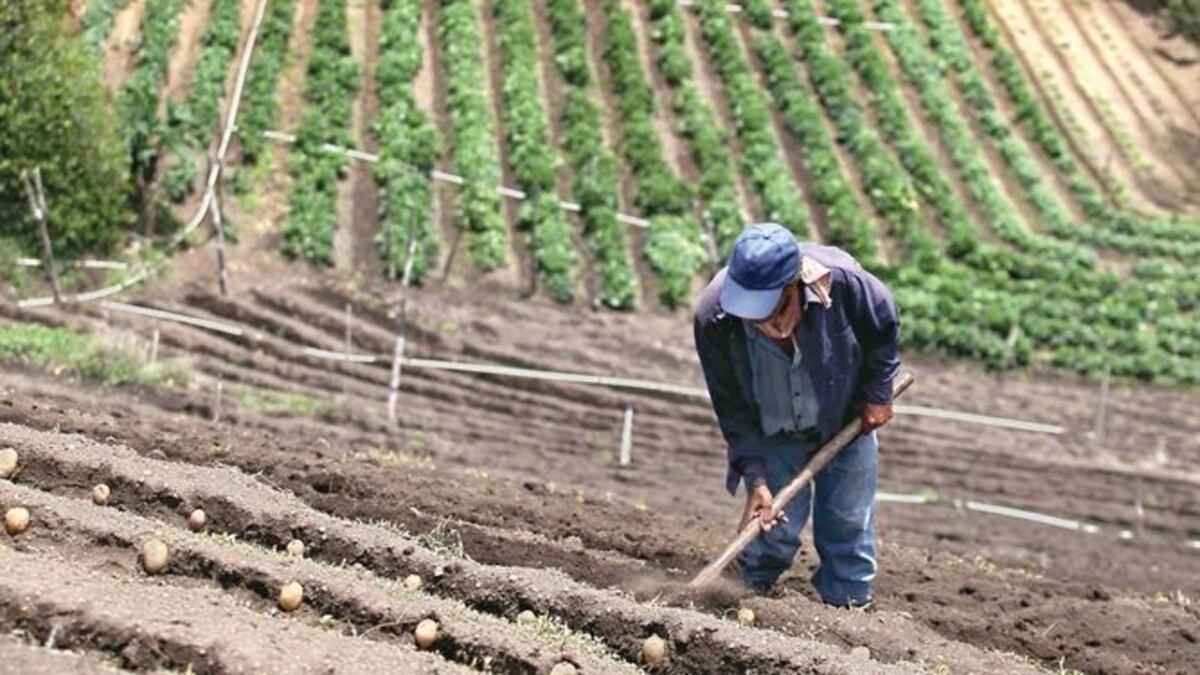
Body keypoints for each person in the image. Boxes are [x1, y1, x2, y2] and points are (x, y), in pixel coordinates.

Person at [693, 223, 900, 607]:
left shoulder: (845, 283)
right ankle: (744, 594)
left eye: (773, 310)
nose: (767, 326)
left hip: (844, 420)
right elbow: (730, 405)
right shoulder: (714, 316)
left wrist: (878, 393)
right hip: (773, 430)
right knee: (772, 527)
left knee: (848, 521)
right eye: (754, 317)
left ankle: (849, 605)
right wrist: (754, 476)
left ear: (795, 285)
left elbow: (883, 328)